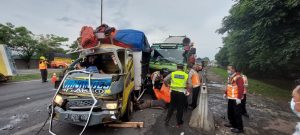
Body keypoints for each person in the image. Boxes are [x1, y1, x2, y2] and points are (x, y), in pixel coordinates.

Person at [224, 65, 245, 133]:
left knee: (237, 113)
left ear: (233, 69)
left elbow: (241, 88)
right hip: (230, 97)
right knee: (230, 112)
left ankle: (239, 128)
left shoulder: (238, 77)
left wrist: (239, 98)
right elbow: (228, 86)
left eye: (229, 69)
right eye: (227, 69)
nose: (228, 70)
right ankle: (232, 123)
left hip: (236, 98)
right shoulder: (230, 77)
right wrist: (225, 93)